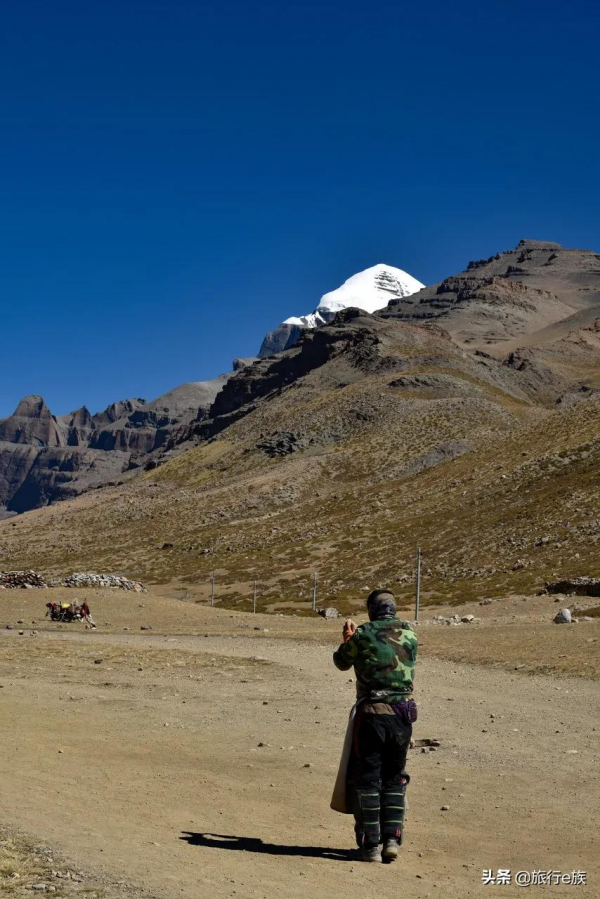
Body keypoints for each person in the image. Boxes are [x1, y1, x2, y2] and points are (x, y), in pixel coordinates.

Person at [333, 589, 418, 863]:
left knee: (368, 778)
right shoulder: (410, 633)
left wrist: (349, 639)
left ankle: (370, 845)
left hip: (371, 715)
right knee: (395, 776)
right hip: (403, 716)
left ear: (371, 610)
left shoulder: (364, 633)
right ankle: (392, 839)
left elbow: (341, 662)